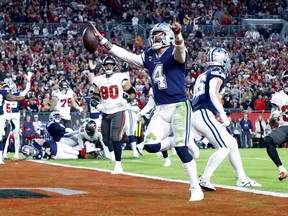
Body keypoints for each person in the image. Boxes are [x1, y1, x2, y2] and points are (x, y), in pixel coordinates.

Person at [90, 15, 203, 201]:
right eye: (155, 35)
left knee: (182, 150)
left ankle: (195, 187)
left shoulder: (175, 51)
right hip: (160, 109)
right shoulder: (149, 55)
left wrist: (178, 35)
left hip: (179, 107)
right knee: (151, 146)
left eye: (159, 35)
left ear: (167, 35)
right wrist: (103, 40)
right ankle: (177, 141)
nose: (156, 38)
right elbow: (126, 56)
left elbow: (181, 52)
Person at [191, 47, 262, 191]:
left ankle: (242, 179)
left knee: (231, 143)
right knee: (224, 146)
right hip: (204, 113)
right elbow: (212, 92)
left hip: (199, 114)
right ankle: (205, 178)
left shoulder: (203, 75)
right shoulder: (217, 72)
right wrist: (223, 114)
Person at [90, 56, 136, 174]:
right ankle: (112, 156)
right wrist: (96, 105)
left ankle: (118, 164)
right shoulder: (99, 79)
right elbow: (94, 98)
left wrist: (127, 100)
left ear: (114, 66)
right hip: (105, 112)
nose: (109, 67)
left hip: (118, 111)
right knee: (106, 139)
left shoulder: (120, 77)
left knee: (115, 137)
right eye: (107, 65)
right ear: (104, 66)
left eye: (111, 65)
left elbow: (132, 93)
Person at [0, 77, 32, 163]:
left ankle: (16, 153)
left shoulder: (15, 94)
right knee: (4, 136)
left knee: (15, 134)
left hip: (13, 114)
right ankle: (4, 154)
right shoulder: (5, 95)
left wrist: (28, 81)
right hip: (6, 115)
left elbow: (25, 91)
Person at [264, 69, 288, 181]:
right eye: (286, 80)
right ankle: (282, 169)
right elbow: (272, 122)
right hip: (284, 127)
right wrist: (273, 117)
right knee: (268, 139)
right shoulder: (278, 96)